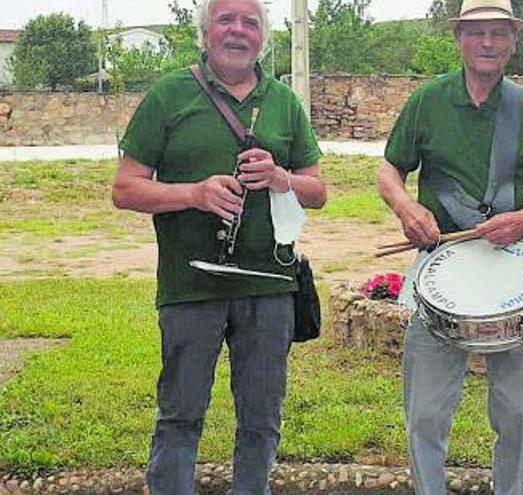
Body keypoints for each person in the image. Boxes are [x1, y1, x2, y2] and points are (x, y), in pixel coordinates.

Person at [111, 0, 325, 492]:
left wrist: (278, 177)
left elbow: (318, 193)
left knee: (262, 418)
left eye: (250, 22)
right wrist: (194, 194)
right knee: (180, 414)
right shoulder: (170, 94)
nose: (238, 30)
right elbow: (125, 190)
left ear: (262, 38)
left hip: (270, 286)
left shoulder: (284, 102)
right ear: (206, 33)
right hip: (191, 285)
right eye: (226, 19)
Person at [377, 1, 523, 493]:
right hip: (439, 273)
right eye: (477, 33)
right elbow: (389, 171)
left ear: (513, 40)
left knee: (518, 416)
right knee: (425, 412)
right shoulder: (428, 100)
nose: (488, 43)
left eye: (498, 33)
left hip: (516, 275)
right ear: (460, 39)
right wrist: (408, 210)